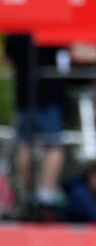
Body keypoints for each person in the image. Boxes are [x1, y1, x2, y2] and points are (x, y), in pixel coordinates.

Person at [4, 33, 68, 211]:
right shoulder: (52, 26)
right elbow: (67, 55)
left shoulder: (19, 28)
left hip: (24, 94)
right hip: (49, 95)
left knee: (24, 144)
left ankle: (26, 193)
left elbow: (8, 59)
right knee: (53, 145)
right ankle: (45, 193)